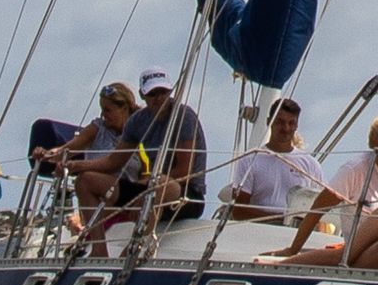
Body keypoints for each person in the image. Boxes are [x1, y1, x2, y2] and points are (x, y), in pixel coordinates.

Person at [72, 67, 208, 253]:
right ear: (142, 95)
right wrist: (78, 166)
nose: (158, 98)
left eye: (162, 92)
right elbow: (114, 161)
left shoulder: (184, 117)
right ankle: (98, 249)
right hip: (150, 187)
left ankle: (136, 247)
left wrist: (145, 188)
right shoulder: (137, 121)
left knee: (158, 182)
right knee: (85, 180)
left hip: (185, 194)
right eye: (152, 94)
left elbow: (184, 171)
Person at [278, 114, 378, 266]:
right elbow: (319, 208)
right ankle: (284, 265)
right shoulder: (354, 170)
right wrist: (293, 248)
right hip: (362, 246)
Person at [30, 82, 139, 232]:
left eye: (108, 110)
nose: (103, 115)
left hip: (128, 193)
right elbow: (67, 150)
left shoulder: (141, 129)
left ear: (124, 108)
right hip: (98, 197)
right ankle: (90, 231)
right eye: (102, 110)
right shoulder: (97, 128)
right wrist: (47, 155)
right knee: (85, 180)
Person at [229, 98, 326, 222]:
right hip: (256, 232)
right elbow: (239, 211)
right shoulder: (249, 161)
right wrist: (280, 220)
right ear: (269, 121)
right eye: (280, 122)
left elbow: (322, 207)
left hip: (294, 234)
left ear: (296, 125)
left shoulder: (310, 165)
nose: (286, 128)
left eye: (291, 123)